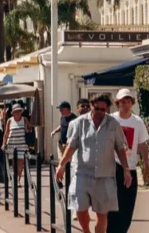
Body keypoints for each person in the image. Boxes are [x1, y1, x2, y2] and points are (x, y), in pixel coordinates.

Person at [56, 94, 133, 233]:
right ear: (91, 106)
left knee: (102, 214)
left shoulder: (113, 124)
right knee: (79, 208)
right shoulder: (80, 123)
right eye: (97, 109)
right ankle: (86, 231)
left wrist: (126, 170)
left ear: (107, 109)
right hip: (83, 173)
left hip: (105, 175)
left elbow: (120, 148)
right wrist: (61, 165)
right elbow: (71, 146)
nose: (100, 113)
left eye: (103, 110)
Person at [109, 88, 149, 233]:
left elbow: (142, 145)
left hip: (131, 167)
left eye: (128, 101)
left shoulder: (137, 121)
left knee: (127, 207)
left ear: (132, 103)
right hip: (113, 166)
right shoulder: (111, 119)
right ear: (117, 103)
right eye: (122, 101)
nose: (125, 104)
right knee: (113, 206)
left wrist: (146, 166)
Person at [2, 105, 29, 177]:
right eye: (16, 112)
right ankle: (16, 178)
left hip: (22, 144)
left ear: (21, 112)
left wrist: (27, 129)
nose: (17, 113)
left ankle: (18, 178)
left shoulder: (24, 119)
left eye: (19, 111)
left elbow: (30, 129)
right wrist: (3, 144)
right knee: (14, 164)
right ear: (13, 113)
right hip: (12, 144)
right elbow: (6, 133)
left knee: (21, 163)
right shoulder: (10, 120)